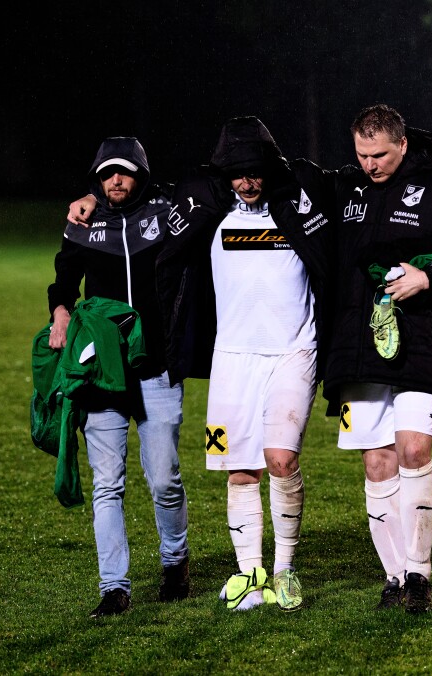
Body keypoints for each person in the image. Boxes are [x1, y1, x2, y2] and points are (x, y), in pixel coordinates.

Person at [154, 116, 335, 612]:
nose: (247, 181)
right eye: (238, 173)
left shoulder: (298, 201)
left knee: (281, 460)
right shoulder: (208, 210)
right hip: (231, 362)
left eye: (255, 171)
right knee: (238, 471)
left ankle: (285, 571)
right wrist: (90, 198)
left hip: (293, 353)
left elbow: (356, 192)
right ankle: (249, 576)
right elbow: (146, 203)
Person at [323, 104, 432, 612]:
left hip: (424, 344)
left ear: (403, 144)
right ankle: (394, 576)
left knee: (414, 450)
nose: (371, 165)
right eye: (361, 155)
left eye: (380, 155)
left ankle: (419, 575)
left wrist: (428, 278)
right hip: (360, 349)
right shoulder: (347, 189)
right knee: (376, 462)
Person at [49, 137, 190, 619]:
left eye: (125, 172)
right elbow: (64, 277)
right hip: (104, 373)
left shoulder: (166, 212)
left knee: (164, 479)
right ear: (97, 176)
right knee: (106, 483)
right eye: (107, 173)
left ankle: (175, 562)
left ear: (141, 175)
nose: (115, 181)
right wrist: (61, 309)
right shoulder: (83, 224)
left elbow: (200, 195)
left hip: (158, 367)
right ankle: (115, 587)